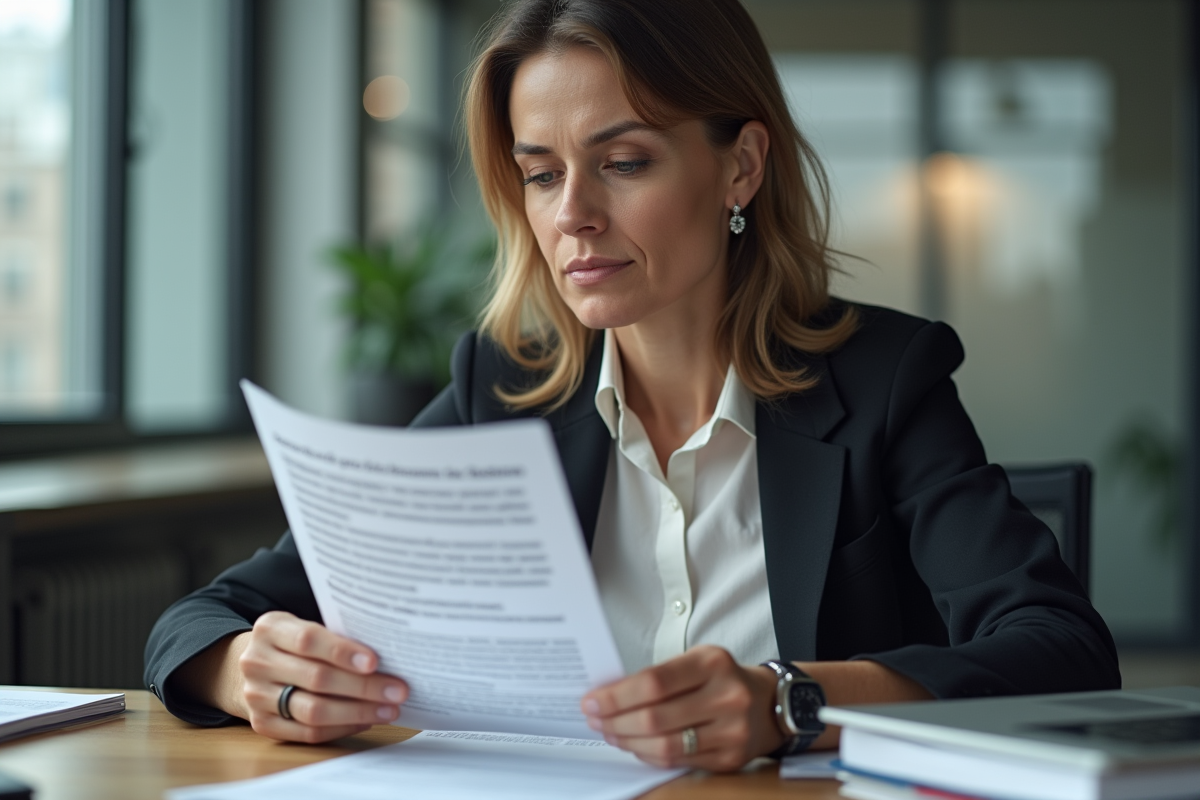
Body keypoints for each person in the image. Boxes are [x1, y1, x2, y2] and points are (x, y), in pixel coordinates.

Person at [144, 0, 1119, 773]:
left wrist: (790, 700)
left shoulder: (884, 382)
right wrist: (249, 669)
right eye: (539, 173)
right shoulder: (503, 391)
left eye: (623, 162)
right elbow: (204, 617)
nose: (572, 215)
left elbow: (1062, 650)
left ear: (739, 165)